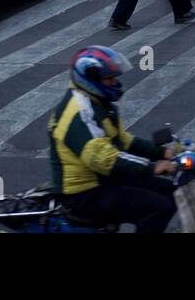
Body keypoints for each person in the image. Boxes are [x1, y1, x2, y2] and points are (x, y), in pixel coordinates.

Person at [49, 46, 178, 233]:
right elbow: (104, 158)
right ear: (91, 79)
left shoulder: (95, 102)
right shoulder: (79, 113)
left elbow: (120, 140)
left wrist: (162, 152)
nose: (114, 82)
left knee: (171, 191)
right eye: (109, 78)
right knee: (158, 207)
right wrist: (152, 167)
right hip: (83, 194)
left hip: (103, 181)